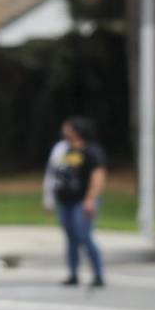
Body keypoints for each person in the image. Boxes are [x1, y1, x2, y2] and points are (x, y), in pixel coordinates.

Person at [49, 117, 106, 288]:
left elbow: (98, 177)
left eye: (68, 128)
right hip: (66, 201)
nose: (64, 130)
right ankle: (73, 273)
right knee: (71, 238)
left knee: (84, 236)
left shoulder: (91, 151)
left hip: (82, 201)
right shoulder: (66, 150)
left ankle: (98, 273)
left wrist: (90, 199)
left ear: (77, 131)